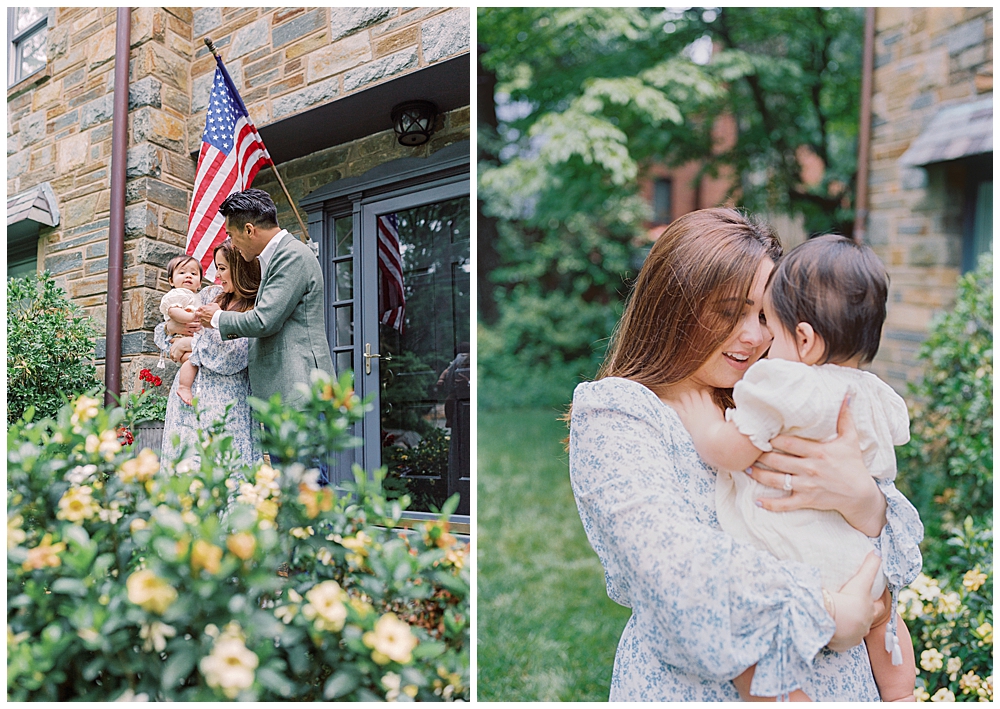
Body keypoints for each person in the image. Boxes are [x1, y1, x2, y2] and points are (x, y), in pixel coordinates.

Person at [568, 208, 923, 701]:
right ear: (675, 304)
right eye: (729, 311)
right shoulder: (619, 412)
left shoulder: (773, 398)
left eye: (763, 315)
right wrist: (828, 613)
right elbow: (672, 567)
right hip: (702, 685)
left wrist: (862, 498)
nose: (753, 336)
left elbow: (889, 553)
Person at [673, 234, 917, 701]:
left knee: (753, 640)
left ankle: (786, 698)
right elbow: (882, 472)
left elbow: (733, 451)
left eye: (768, 320)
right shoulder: (873, 394)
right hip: (857, 562)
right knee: (884, 617)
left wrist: (704, 423)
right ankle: (902, 694)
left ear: (802, 338)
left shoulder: (783, 384)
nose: (761, 337)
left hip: (792, 557)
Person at [195, 188, 334, 409]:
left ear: (249, 230)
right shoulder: (273, 258)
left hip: (300, 390)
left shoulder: (292, 255)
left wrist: (217, 318)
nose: (232, 243)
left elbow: (264, 321)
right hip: (284, 391)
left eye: (231, 235)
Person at [156, 241, 262, 472]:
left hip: (226, 401)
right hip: (187, 396)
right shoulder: (210, 294)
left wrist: (190, 343)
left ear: (240, 267)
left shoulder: (256, 307)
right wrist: (170, 328)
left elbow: (233, 357)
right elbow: (164, 333)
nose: (217, 275)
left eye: (222, 268)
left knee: (223, 470)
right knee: (183, 468)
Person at [159, 255, 204, 406]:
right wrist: (191, 316)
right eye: (182, 272)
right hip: (179, 338)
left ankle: (187, 386)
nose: (188, 276)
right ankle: (184, 386)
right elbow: (173, 312)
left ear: (200, 283)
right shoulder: (177, 294)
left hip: (192, 339)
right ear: (171, 281)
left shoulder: (197, 297)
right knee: (192, 360)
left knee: (195, 359)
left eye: (193, 273)